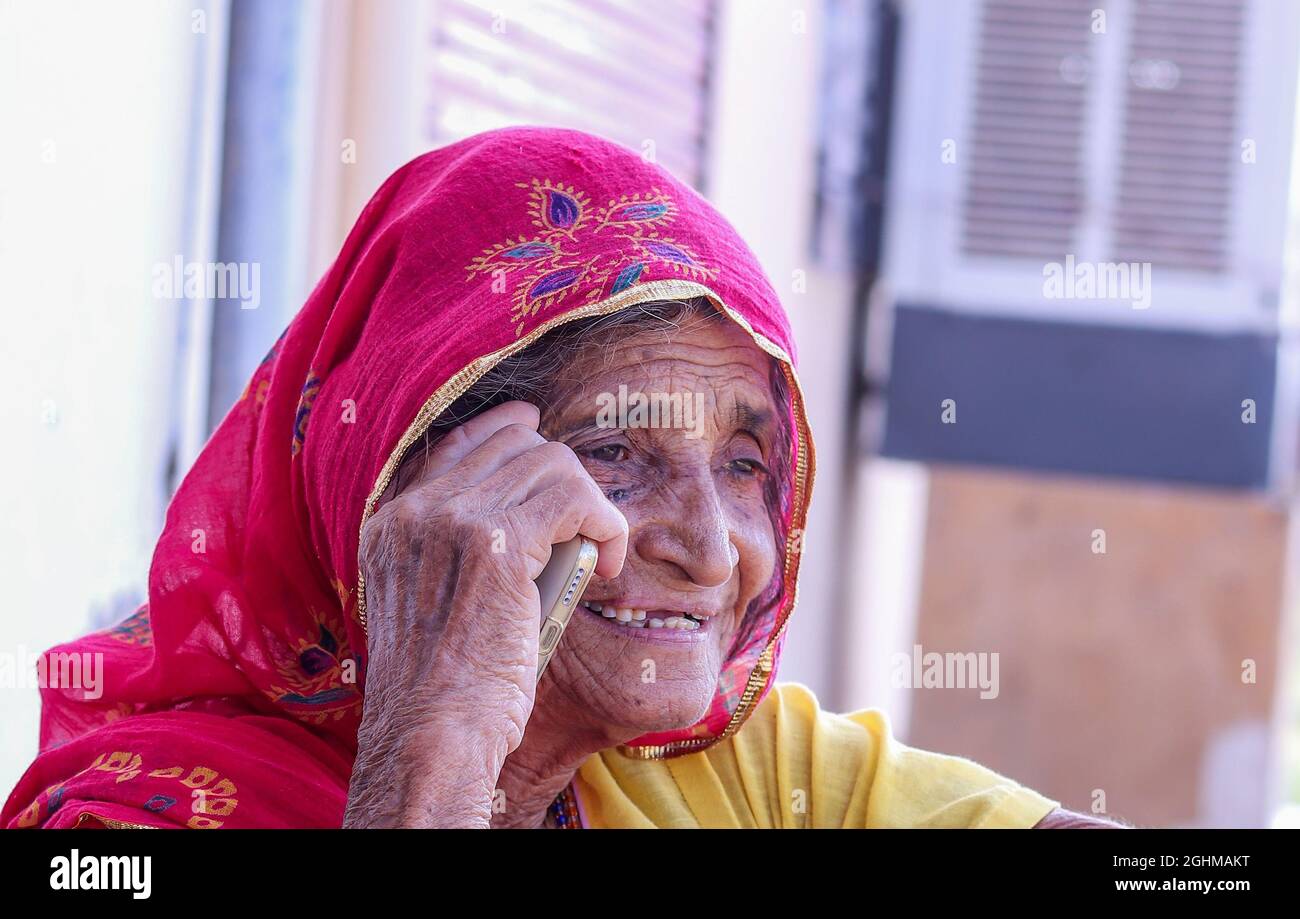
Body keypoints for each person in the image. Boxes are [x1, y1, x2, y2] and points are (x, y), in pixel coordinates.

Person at [3, 127, 1113, 829]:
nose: (715, 546)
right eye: (618, 452)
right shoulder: (129, 824)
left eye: (742, 463)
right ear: (413, 478)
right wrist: (435, 739)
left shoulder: (707, 770)